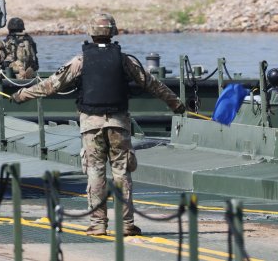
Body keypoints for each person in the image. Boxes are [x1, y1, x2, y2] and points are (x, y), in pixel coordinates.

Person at [10, 13, 185, 236]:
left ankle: (98, 224)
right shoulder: (125, 60)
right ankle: (126, 224)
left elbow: (51, 85)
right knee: (121, 172)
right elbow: (152, 84)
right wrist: (176, 104)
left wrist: (21, 95)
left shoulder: (80, 60)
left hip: (91, 125)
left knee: (95, 172)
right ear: (113, 32)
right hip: (119, 124)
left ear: (91, 32)